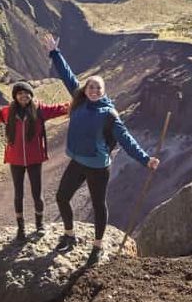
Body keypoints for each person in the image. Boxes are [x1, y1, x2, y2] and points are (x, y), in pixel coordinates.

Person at [42, 32, 160, 262]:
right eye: (91, 87)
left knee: (98, 205)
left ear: (104, 92)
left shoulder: (109, 114)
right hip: (77, 161)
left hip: (97, 166)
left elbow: (126, 140)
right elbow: (67, 76)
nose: (94, 91)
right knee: (62, 196)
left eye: (99, 88)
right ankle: (69, 234)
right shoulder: (79, 101)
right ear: (86, 90)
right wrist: (54, 52)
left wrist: (146, 159)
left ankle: (98, 245)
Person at [0, 81, 69, 241]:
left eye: (27, 93)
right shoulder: (8, 111)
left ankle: (39, 224)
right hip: (15, 160)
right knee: (18, 194)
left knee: (37, 193)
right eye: (20, 93)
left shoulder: (39, 110)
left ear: (31, 95)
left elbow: (60, 108)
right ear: (15, 96)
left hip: (34, 159)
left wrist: (81, 101)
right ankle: (21, 228)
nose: (24, 96)